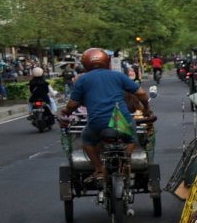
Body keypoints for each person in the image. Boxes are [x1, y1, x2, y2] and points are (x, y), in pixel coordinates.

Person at [59, 48, 152, 182]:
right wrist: (146, 108)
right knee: (131, 138)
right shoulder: (117, 76)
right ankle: (125, 162)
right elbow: (142, 94)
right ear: (106, 61)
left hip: (97, 123)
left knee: (87, 140)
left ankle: (99, 169)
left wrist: (65, 112)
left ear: (85, 64)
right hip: (121, 120)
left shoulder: (82, 79)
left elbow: (73, 105)